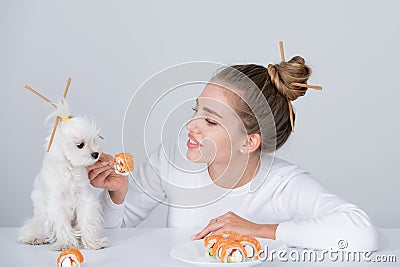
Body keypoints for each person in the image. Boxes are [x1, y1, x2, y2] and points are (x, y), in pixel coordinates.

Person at [87, 54, 379, 251]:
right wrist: (117, 196)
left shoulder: (283, 185)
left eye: (211, 120)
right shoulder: (174, 160)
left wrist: (258, 230)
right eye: (196, 110)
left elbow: (363, 234)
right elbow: (106, 234)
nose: (190, 125)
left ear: (249, 143)